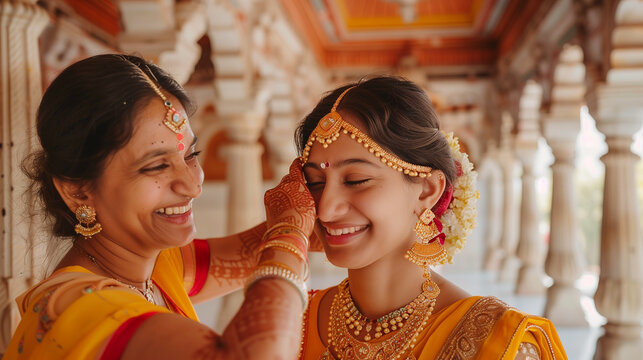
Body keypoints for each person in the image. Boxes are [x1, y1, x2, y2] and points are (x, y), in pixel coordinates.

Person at [4, 54, 315, 359]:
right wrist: (292, 231)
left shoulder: (156, 268)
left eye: (191, 155)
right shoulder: (80, 309)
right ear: (78, 192)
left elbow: (258, 250)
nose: (193, 186)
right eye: (156, 166)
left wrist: (318, 205)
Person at [295, 77, 567, 359]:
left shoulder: (499, 344)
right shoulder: (293, 319)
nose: (325, 209)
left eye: (356, 180)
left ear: (427, 190)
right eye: (314, 182)